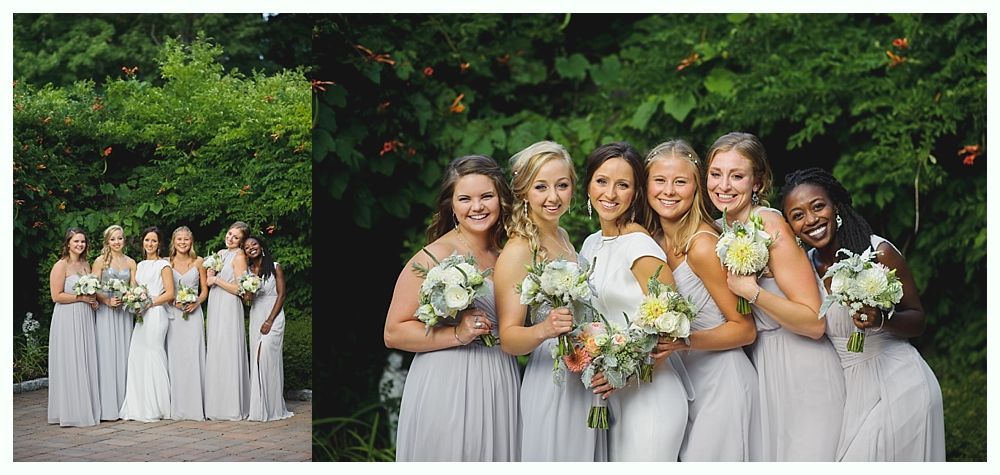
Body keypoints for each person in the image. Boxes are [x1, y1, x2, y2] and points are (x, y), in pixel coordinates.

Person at [781, 167, 945, 461]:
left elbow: (918, 319)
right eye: (798, 215)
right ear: (791, 226)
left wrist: (882, 319)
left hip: (899, 382)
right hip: (850, 392)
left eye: (818, 207)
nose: (811, 220)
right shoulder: (802, 268)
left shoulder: (878, 252)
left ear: (836, 207)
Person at [704, 132, 845, 461]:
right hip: (763, 364)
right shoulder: (717, 228)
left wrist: (752, 292)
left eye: (737, 176)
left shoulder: (770, 227)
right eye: (716, 173)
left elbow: (814, 322)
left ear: (757, 182)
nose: (723, 185)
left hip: (802, 364)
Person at [384, 155, 519, 461]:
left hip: (500, 376)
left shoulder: (506, 252)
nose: (478, 206)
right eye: (465, 198)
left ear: (500, 199)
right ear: (451, 206)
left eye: (487, 196)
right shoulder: (433, 256)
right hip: (450, 380)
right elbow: (393, 332)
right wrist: (457, 333)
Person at [644, 139, 761, 461]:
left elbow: (744, 329)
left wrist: (684, 341)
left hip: (722, 380)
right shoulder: (650, 243)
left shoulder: (702, 245)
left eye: (680, 182)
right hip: (681, 382)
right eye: (660, 180)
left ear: (695, 188)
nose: (669, 190)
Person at [494, 140, 606, 461]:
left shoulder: (564, 238)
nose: (553, 197)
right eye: (540, 187)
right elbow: (509, 338)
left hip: (582, 371)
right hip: (552, 378)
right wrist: (545, 329)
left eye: (562, 185)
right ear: (524, 191)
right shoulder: (519, 250)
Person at [578, 141, 689, 461]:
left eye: (622, 185)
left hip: (651, 394)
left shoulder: (640, 245)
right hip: (613, 395)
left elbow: (675, 324)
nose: (610, 194)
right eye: (602, 181)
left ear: (635, 193)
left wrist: (625, 370)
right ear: (588, 185)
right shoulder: (590, 244)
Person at [119, 226, 174, 422]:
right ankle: (138, 405)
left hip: (157, 314)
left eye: (153, 241)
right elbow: (135, 289)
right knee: (137, 355)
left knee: (153, 354)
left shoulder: (163, 266)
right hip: (141, 315)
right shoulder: (140, 265)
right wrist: (134, 302)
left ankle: (157, 405)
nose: (149, 244)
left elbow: (170, 294)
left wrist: (148, 303)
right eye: (147, 240)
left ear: (159, 244)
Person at [47, 227, 101, 427]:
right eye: (76, 241)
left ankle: (84, 406)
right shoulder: (61, 266)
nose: (80, 245)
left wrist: (93, 301)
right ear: (68, 243)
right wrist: (81, 297)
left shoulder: (86, 265)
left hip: (85, 317)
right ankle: (69, 410)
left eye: (83, 242)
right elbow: (56, 296)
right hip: (67, 317)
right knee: (71, 359)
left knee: (84, 359)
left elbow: (91, 294)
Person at [243, 235, 294, 422]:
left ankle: (272, 407)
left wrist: (270, 320)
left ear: (261, 246)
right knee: (256, 359)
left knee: (266, 358)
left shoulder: (274, 267)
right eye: (247, 247)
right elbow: (247, 300)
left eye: (254, 244)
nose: (251, 248)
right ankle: (259, 406)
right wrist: (249, 290)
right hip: (256, 314)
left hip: (273, 314)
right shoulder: (247, 272)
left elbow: (281, 295)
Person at [204, 221, 251, 421]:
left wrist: (217, 280)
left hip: (230, 306)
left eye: (235, 237)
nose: (230, 238)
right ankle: (216, 404)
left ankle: (231, 406)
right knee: (216, 349)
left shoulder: (240, 257)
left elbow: (241, 290)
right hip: (215, 304)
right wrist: (209, 276)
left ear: (241, 242)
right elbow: (209, 281)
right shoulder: (221, 253)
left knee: (228, 349)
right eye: (229, 234)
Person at [90, 224, 137, 421]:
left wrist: (128, 298)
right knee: (107, 354)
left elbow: (134, 287)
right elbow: (93, 287)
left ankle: (124, 406)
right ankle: (107, 407)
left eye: (120, 238)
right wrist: (106, 300)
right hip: (106, 313)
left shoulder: (131, 262)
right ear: (107, 241)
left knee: (125, 354)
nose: (117, 242)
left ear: (124, 240)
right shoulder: (100, 261)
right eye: (113, 239)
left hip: (124, 313)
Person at [166, 226, 208, 421]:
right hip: (174, 315)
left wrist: (196, 302)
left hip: (193, 315)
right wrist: (174, 301)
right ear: (174, 241)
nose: (183, 243)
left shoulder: (199, 262)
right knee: (175, 358)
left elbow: (204, 291)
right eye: (179, 239)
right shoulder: (167, 263)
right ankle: (177, 406)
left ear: (191, 242)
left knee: (193, 357)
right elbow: (164, 290)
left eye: (186, 240)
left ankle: (195, 406)